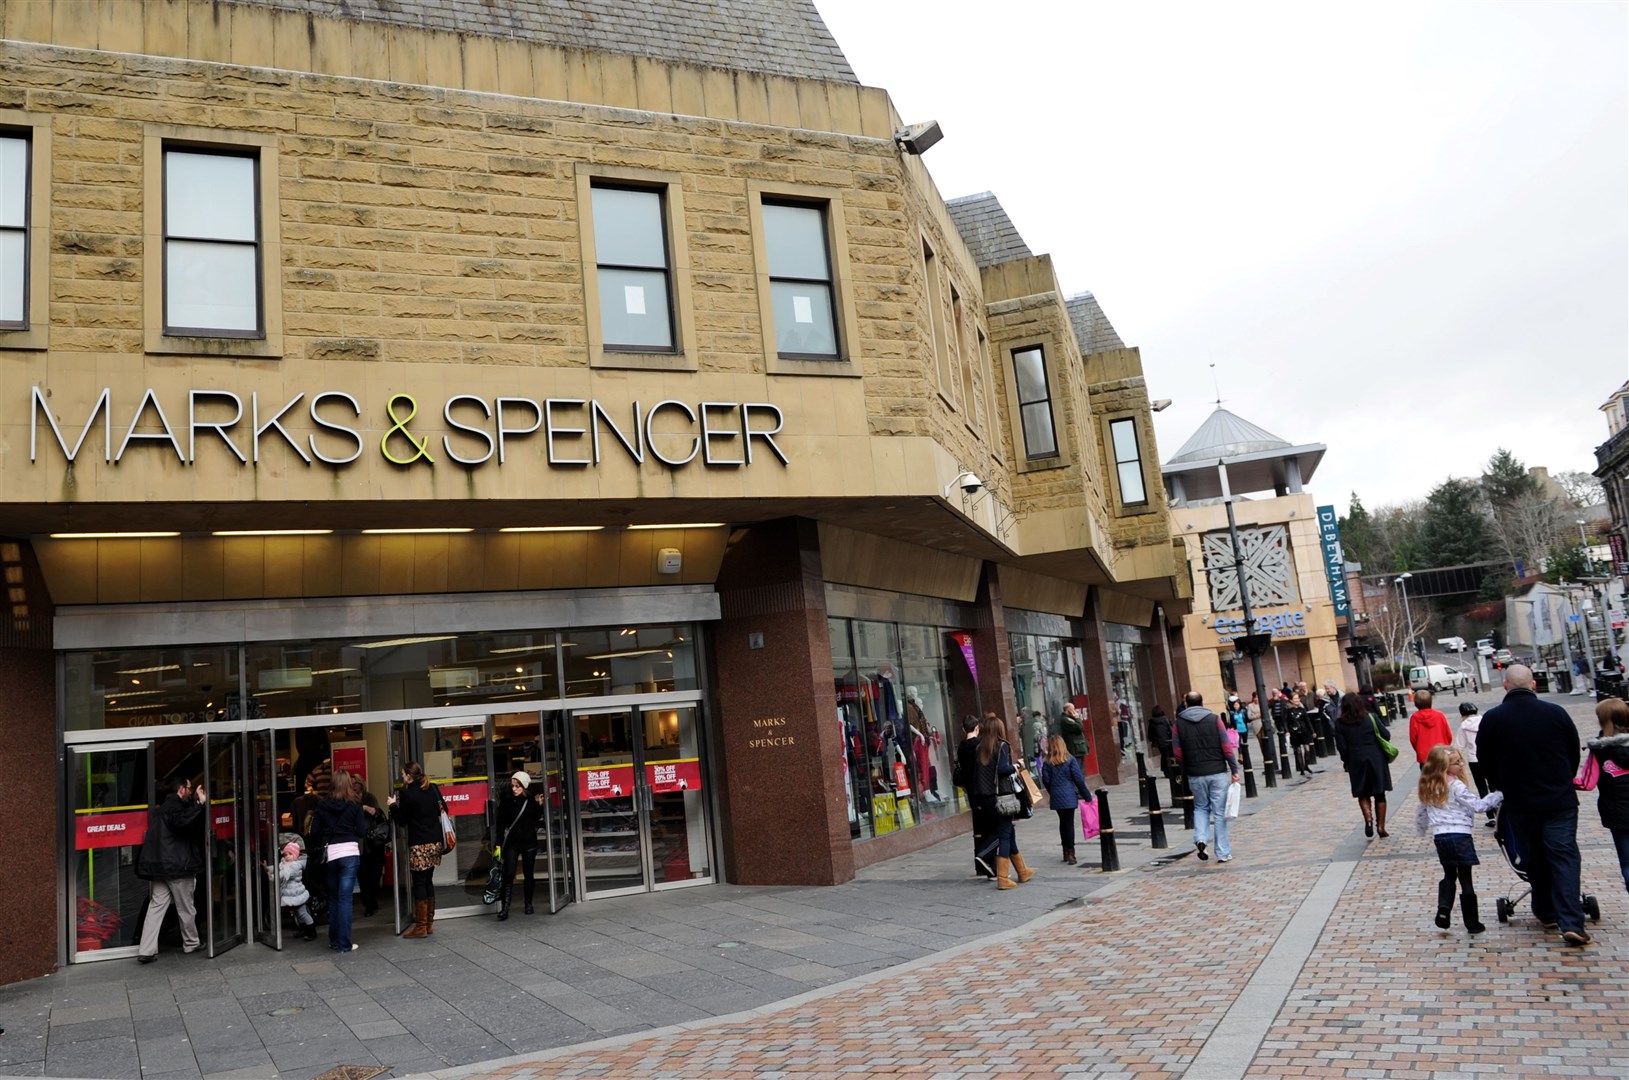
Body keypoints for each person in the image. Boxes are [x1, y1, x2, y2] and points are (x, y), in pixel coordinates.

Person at [1478, 664, 1590, 946]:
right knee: (1563, 856)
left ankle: (1545, 909)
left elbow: (1485, 759)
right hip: (1558, 798)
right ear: (1533, 685)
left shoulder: (1493, 719)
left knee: (1535, 856)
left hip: (1520, 800)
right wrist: (1563, 778)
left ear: (1505, 686)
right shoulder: (1555, 713)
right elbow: (1572, 750)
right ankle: (1571, 921)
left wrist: (1499, 784)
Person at [1415, 745, 1502, 933]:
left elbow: (1421, 812)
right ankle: (1472, 923)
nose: (1461, 765)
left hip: (1440, 837)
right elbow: (1478, 806)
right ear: (1445, 767)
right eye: (1457, 763)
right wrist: (1499, 794)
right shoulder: (1456, 786)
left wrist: (1422, 830)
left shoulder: (1429, 786)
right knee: (1465, 878)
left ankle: (1444, 909)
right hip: (1460, 835)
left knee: (1448, 874)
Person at [135, 775, 208, 964]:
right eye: (189, 788)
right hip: (177, 867)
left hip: (159, 869)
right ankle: (191, 943)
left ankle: (146, 949)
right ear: (181, 789)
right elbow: (181, 822)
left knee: (156, 907)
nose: (191, 792)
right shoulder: (175, 807)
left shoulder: (160, 810)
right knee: (186, 908)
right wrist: (199, 804)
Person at [1171, 691, 1241, 863]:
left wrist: (1185, 767)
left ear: (1186, 703)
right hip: (1217, 772)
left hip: (1195, 774)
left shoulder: (1178, 723)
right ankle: (1223, 852)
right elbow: (1226, 747)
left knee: (1201, 807)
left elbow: (1177, 752)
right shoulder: (1214, 719)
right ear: (1202, 703)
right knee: (1219, 813)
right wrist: (1234, 769)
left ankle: (1201, 839)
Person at [971, 716, 1034, 889]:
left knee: (1008, 832)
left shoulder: (979, 747)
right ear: (999, 730)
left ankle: (1022, 871)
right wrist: (1016, 766)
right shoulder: (1002, 745)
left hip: (985, 799)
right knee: (1005, 836)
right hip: (1002, 798)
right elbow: (1002, 770)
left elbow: (977, 775)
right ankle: (1003, 878)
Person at [309, 767, 367, 953]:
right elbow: (362, 831)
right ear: (349, 785)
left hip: (330, 855)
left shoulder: (321, 805)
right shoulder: (355, 805)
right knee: (345, 900)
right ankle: (344, 944)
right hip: (349, 853)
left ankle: (334, 941)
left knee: (333, 899)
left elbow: (315, 831)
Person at [388, 761, 449, 940]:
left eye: (403, 774)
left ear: (408, 776)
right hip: (435, 842)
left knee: (420, 883)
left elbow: (402, 820)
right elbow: (444, 809)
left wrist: (392, 805)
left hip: (419, 844)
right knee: (428, 880)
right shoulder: (433, 788)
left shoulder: (406, 794)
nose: (401, 777)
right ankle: (429, 923)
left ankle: (421, 926)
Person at [1576, 697, 1629, 896]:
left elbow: (1586, 783)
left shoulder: (1599, 751)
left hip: (1617, 814)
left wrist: (1562, 781)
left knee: (1627, 862)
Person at [1333, 691, 1393, 838]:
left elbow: (1342, 747)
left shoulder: (1340, 724)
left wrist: (1346, 761)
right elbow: (1386, 735)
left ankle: (1368, 820)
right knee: (1380, 793)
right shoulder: (1370, 718)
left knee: (1363, 792)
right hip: (1376, 758)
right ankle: (1381, 827)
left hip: (1356, 760)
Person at [493, 771, 544, 920]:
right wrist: (498, 843)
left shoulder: (530, 800)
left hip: (529, 842)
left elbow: (536, 818)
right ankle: (505, 908)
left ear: (525, 786)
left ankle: (528, 904)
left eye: (518, 786)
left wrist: (540, 806)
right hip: (512, 843)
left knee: (529, 874)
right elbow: (501, 824)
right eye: (513, 786)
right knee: (508, 874)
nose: (514, 789)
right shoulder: (506, 800)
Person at [1039, 734, 1091, 864]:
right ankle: (1071, 853)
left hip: (1056, 796)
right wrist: (1087, 796)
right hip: (1069, 796)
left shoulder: (1047, 762)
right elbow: (1078, 779)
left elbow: (1045, 780)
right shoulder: (1070, 760)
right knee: (1069, 823)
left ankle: (1065, 851)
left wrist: (1053, 791)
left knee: (1063, 823)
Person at [955, 715, 993, 878]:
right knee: (989, 827)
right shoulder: (980, 745)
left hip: (970, 790)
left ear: (964, 729)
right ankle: (986, 859)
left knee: (977, 826)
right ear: (977, 727)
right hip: (983, 790)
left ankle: (979, 865)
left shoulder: (961, 747)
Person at [1454, 702, 1495, 826]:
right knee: (1494, 784)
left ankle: (1490, 816)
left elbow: (1459, 746)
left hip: (1474, 759)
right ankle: (1500, 810)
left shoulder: (1463, 727)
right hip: (1489, 757)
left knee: (1482, 787)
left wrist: (1457, 761)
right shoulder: (1485, 721)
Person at [274, 836, 318, 941]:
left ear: (295, 855)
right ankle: (304, 929)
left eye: (290, 854)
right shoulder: (285, 864)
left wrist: (274, 874)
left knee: (302, 913)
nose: (287, 857)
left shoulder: (296, 865)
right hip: (293, 894)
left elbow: (285, 873)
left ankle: (312, 931)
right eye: (285, 854)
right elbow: (280, 869)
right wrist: (270, 869)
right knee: (298, 914)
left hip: (297, 894)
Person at [356, 778, 388, 917]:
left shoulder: (369, 797)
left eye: (355, 784)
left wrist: (364, 807)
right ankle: (368, 904)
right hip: (359, 844)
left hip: (373, 842)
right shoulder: (348, 799)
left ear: (360, 785)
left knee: (375, 874)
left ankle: (373, 900)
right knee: (362, 875)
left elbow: (378, 813)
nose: (353, 787)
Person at [1408, 690, 1452, 765]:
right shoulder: (1440, 715)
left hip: (1424, 755)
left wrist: (1419, 749)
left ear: (1416, 703)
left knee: (1427, 776)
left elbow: (1413, 739)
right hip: (1441, 753)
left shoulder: (1414, 718)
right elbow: (1448, 735)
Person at [1148, 705, 1176, 780]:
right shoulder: (1165, 719)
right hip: (1167, 740)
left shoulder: (1152, 722)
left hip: (1159, 742)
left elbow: (1150, 733)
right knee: (1167, 755)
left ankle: (1165, 770)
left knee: (1164, 755)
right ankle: (1167, 770)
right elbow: (1171, 729)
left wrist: (1152, 740)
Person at [1057, 702, 1088, 767]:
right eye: (1073, 709)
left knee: (1081, 767)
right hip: (1075, 749)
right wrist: (1077, 718)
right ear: (1069, 710)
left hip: (1078, 748)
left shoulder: (1070, 718)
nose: (1074, 711)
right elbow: (1079, 728)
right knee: (1078, 768)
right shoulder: (1065, 719)